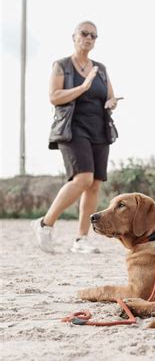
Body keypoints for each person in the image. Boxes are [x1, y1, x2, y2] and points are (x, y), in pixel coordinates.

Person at [31, 21, 120, 254]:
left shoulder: (100, 68)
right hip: (72, 128)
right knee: (83, 178)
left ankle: (81, 239)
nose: (89, 38)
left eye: (94, 35)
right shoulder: (62, 65)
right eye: (84, 33)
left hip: (99, 128)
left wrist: (111, 103)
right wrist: (84, 86)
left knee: (95, 184)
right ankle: (44, 224)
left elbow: (108, 96)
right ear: (74, 36)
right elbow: (54, 96)